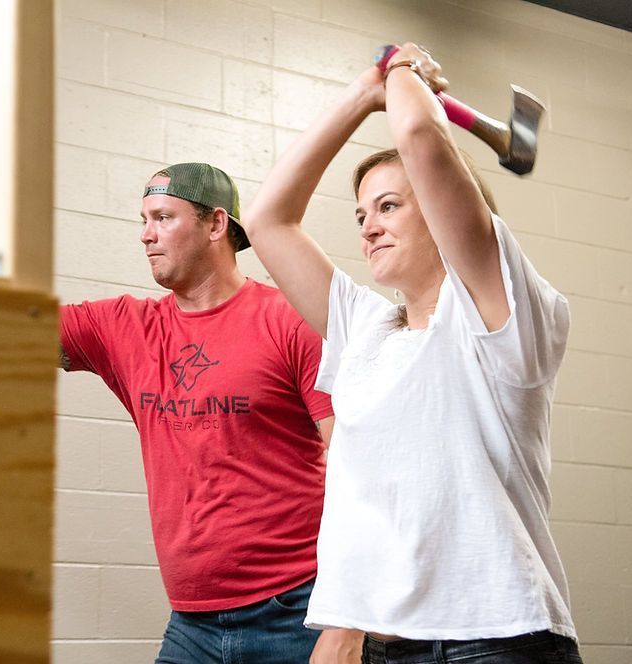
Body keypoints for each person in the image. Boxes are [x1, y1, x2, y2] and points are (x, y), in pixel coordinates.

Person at [0, 132, 357, 662]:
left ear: (217, 224)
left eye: (163, 218)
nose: (146, 236)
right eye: (143, 220)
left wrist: (348, 620)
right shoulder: (124, 328)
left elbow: (357, 466)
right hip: (193, 622)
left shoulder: (289, 318)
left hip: (298, 611)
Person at [241, 43, 582, 664]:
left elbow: (422, 134)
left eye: (389, 206)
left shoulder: (498, 312)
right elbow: (267, 220)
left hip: (496, 642)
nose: (367, 226)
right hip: (385, 646)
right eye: (362, 213)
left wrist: (402, 70)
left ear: (446, 211)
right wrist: (364, 93)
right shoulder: (365, 329)